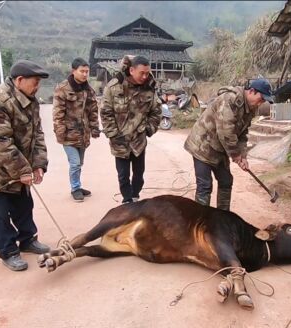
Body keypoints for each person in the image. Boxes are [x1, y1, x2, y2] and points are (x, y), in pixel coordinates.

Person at [0, 60, 52, 271]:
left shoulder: (30, 100)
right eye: (35, 82)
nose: (37, 87)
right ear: (20, 80)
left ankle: (27, 240)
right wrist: (23, 170)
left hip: (16, 163)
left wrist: (38, 165)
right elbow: (1, 142)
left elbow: (37, 135)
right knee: (0, 213)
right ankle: (8, 251)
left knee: (23, 205)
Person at [184, 78, 274, 211]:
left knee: (226, 181)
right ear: (252, 91)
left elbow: (243, 134)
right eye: (261, 98)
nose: (261, 103)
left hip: (220, 148)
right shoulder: (230, 100)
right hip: (202, 145)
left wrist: (243, 155)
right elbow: (226, 132)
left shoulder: (250, 109)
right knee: (205, 185)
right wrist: (235, 155)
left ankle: (223, 218)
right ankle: (201, 223)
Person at [101, 55, 162, 204]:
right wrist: (113, 134)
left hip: (139, 141)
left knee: (139, 175)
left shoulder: (149, 88)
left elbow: (156, 111)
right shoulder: (114, 87)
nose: (145, 76)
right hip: (119, 140)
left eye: (147, 73)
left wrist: (148, 129)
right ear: (132, 70)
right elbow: (105, 112)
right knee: (123, 175)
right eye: (142, 73)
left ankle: (135, 195)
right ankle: (127, 200)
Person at [52, 58, 100, 202]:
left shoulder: (88, 90)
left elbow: (92, 110)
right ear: (74, 71)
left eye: (87, 71)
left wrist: (94, 128)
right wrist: (60, 133)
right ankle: (75, 188)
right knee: (75, 163)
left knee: (80, 163)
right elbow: (58, 113)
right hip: (68, 134)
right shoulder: (62, 89)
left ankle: (78, 185)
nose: (85, 74)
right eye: (82, 71)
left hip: (83, 134)